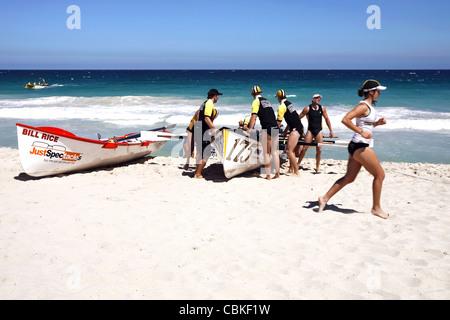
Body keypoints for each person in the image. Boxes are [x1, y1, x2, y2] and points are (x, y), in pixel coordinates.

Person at [318, 80, 388, 219]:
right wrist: (361, 133)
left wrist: (377, 124)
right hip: (360, 146)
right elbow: (345, 119)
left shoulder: (369, 107)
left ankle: (324, 198)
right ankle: (376, 208)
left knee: (349, 177)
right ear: (371, 92)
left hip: (356, 145)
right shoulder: (363, 106)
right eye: (378, 91)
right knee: (380, 175)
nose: (379, 93)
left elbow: (366, 125)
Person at [248, 86, 280, 180]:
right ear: (260, 93)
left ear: (252, 94)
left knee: (266, 153)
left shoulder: (255, 101)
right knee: (274, 152)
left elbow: (254, 116)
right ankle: (277, 174)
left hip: (267, 128)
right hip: (275, 127)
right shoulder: (267, 101)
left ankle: (268, 176)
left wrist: (250, 128)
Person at [297, 94, 334, 173]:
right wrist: (297, 128)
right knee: (305, 148)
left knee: (319, 149)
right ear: (313, 99)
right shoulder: (307, 108)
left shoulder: (322, 108)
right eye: (317, 98)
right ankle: (297, 164)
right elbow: (298, 118)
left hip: (319, 130)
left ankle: (317, 167)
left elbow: (327, 119)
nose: (319, 99)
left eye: (319, 98)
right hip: (310, 130)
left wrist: (330, 130)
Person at [193, 89, 222, 178]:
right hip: (203, 130)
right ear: (215, 96)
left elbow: (198, 114)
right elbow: (206, 118)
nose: (218, 98)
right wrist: (214, 129)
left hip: (198, 127)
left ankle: (196, 172)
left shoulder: (204, 103)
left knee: (199, 152)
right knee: (206, 153)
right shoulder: (210, 103)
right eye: (218, 96)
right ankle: (198, 174)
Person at [275, 89, 304, 176]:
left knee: (288, 151)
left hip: (295, 129)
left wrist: (273, 132)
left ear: (278, 98)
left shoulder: (281, 106)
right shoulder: (289, 104)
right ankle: (291, 169)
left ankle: (296, 172)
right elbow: (292, 118)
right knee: (293, 151)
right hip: (299, 127)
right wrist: (285, 131)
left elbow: (278, 122)